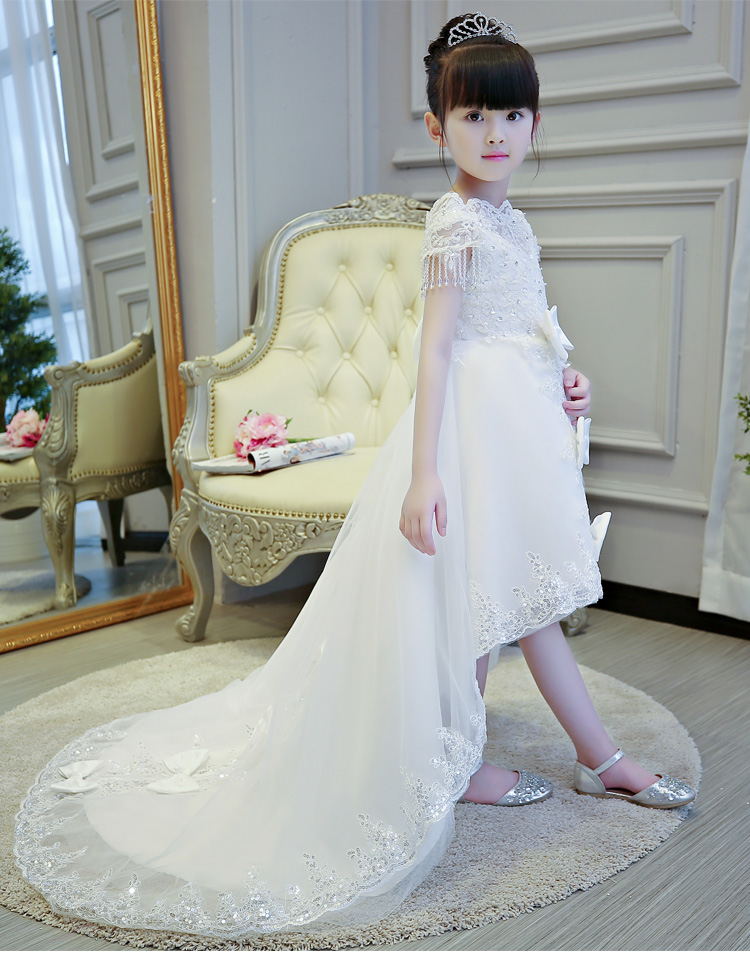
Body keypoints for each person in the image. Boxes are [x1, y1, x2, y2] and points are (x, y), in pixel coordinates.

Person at [14, 12, 695, 940]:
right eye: (474, 116)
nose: (496, 133)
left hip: (516, 431)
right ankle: (590, 757)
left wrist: (567, 381)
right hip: (467, 438)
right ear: (438, 127)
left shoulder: (510, 220)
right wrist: (423, 474)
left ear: (536, 124)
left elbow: (519, 329)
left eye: (512, 116)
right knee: (506, 601)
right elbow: (437, 349)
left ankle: (503, 755)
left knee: (499, 600)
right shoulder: (453, 221)